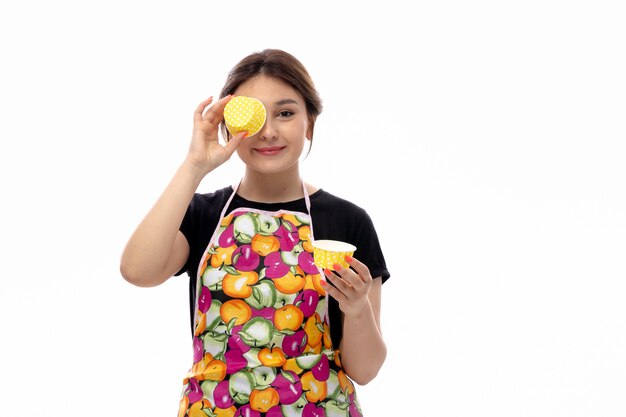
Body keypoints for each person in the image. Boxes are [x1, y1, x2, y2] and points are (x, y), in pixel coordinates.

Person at [120, 49, 390, 417]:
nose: (268, 132)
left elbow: (366, 370)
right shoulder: (203, 215)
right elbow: (137, 271)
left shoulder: (347, 221)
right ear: (229, 125)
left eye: (285, 113)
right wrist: (194, 166)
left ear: (309, 122)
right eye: (253, 115)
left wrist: (357, 310)